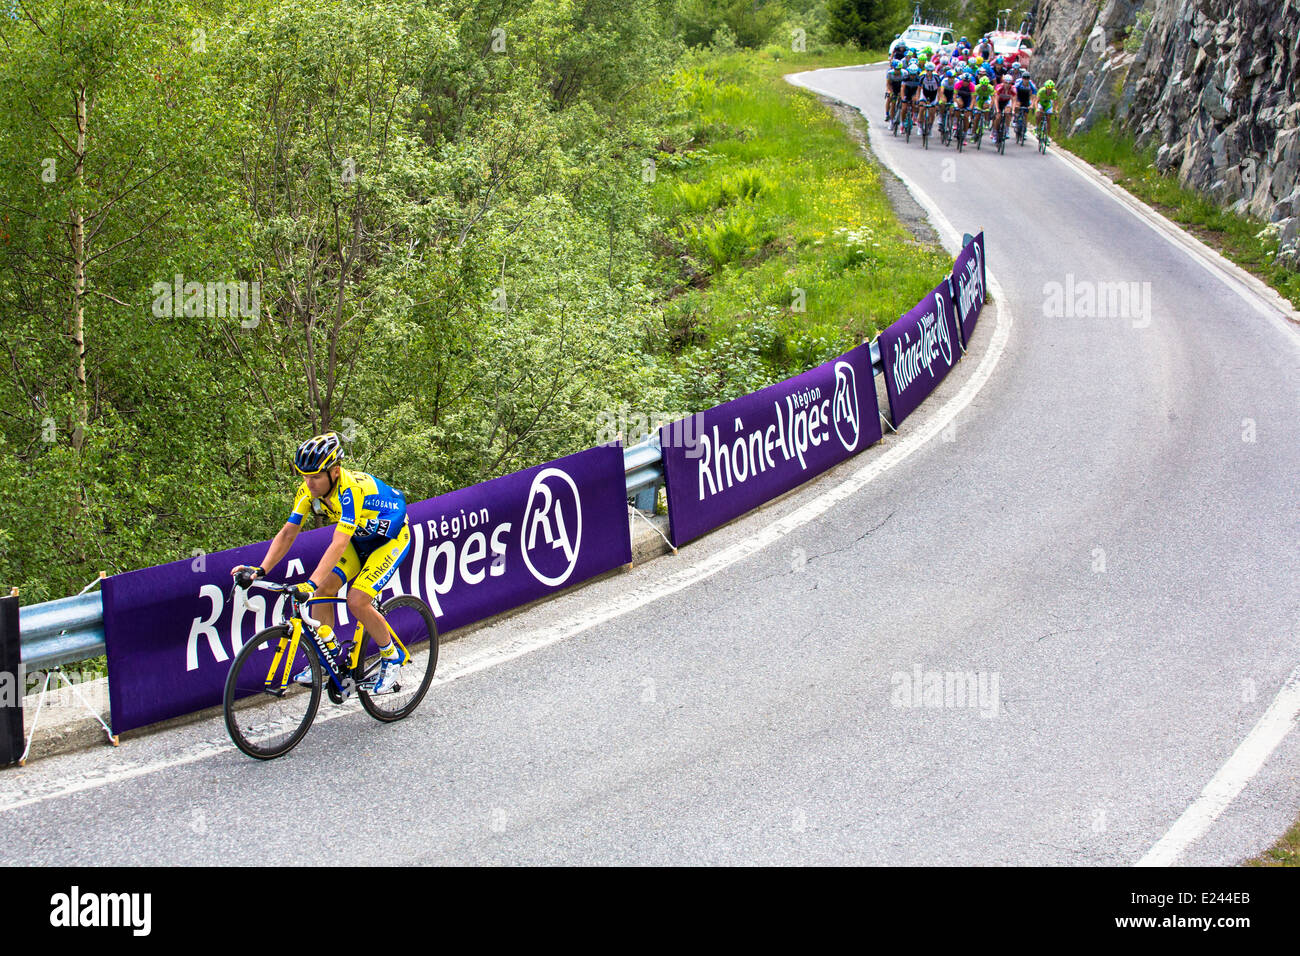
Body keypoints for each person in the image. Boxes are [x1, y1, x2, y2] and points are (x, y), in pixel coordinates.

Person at [230, 432, 413, 694]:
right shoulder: (307, 491)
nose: (309, 482)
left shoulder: (350, 489)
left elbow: (338, 543)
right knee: (324, 590)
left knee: (357, 600)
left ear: (335, 472)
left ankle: (391, 656)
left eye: (315, 476)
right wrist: (260, 570)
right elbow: (288, 532)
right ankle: (327, 662)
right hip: (360, 539)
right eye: (304, 476)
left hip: (389, 540)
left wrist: (310, 582)